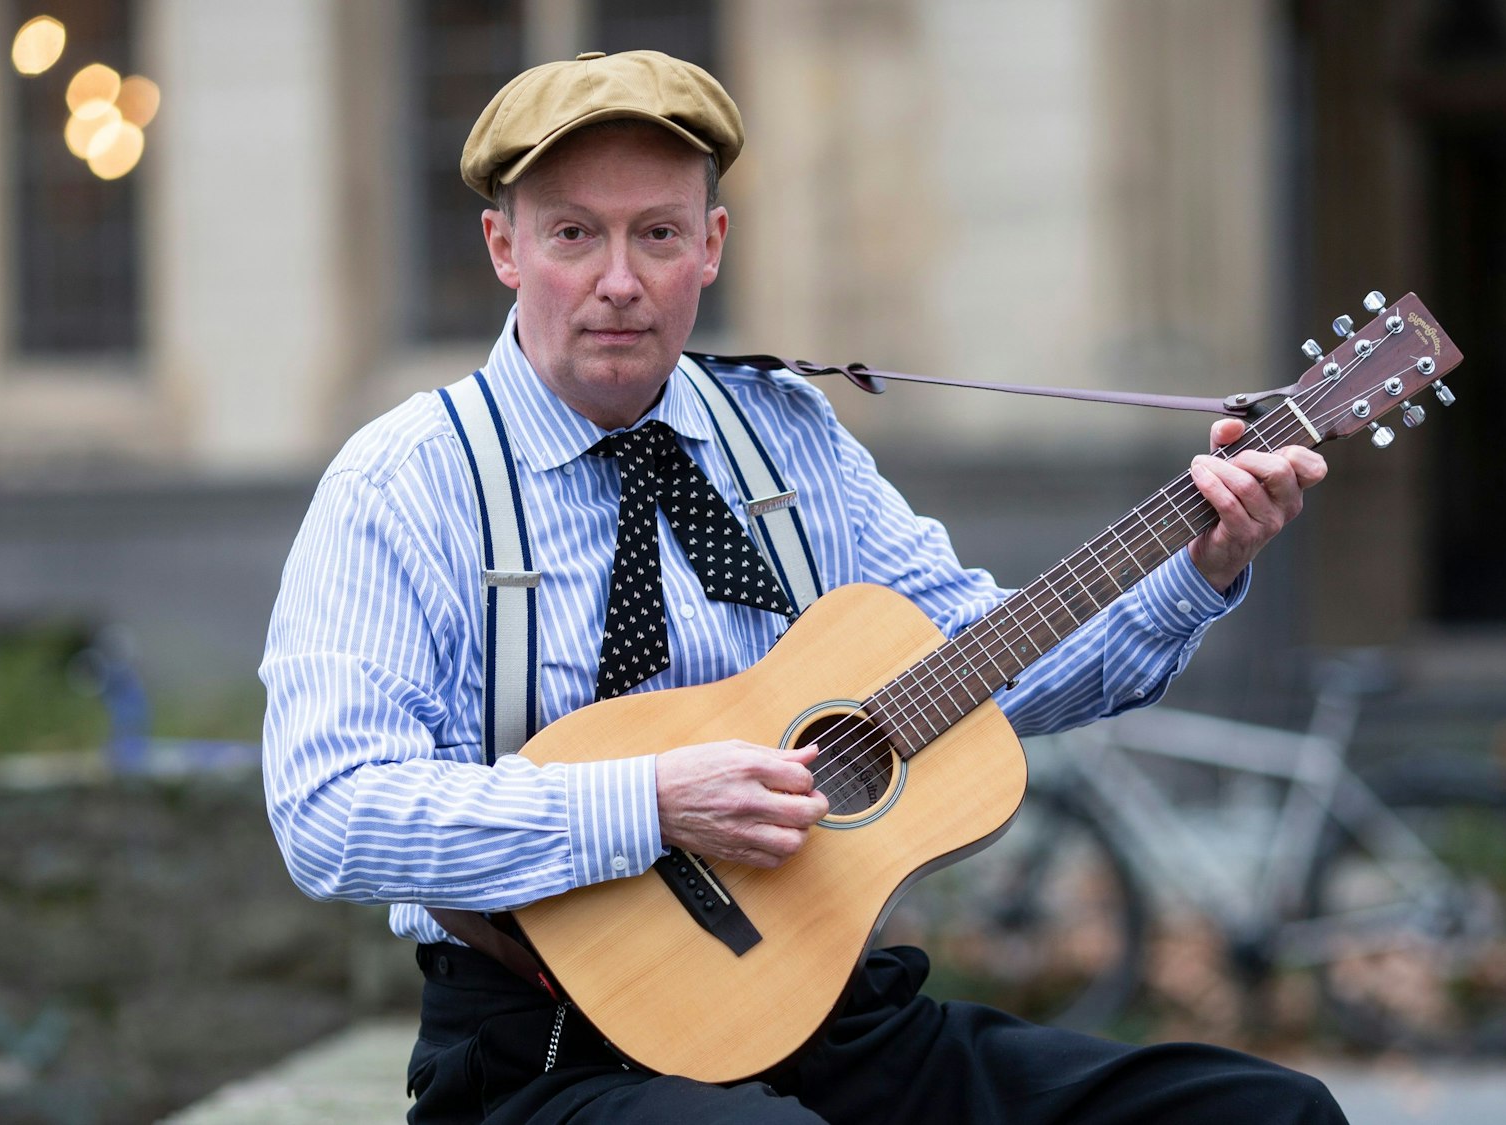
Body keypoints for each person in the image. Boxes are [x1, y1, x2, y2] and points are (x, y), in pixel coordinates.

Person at [262, 49, 1343, 1125]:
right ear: (505, 247)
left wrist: (1198, 568)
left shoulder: (787, 439)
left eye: (657, 233)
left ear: (711, 245)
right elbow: (327, 813)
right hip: (543, 1054)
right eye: (574, 235)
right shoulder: (404, 483)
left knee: (1262, 1113)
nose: (619, 281)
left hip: (829, 1020)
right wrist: (649, 802)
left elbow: (984, 670)